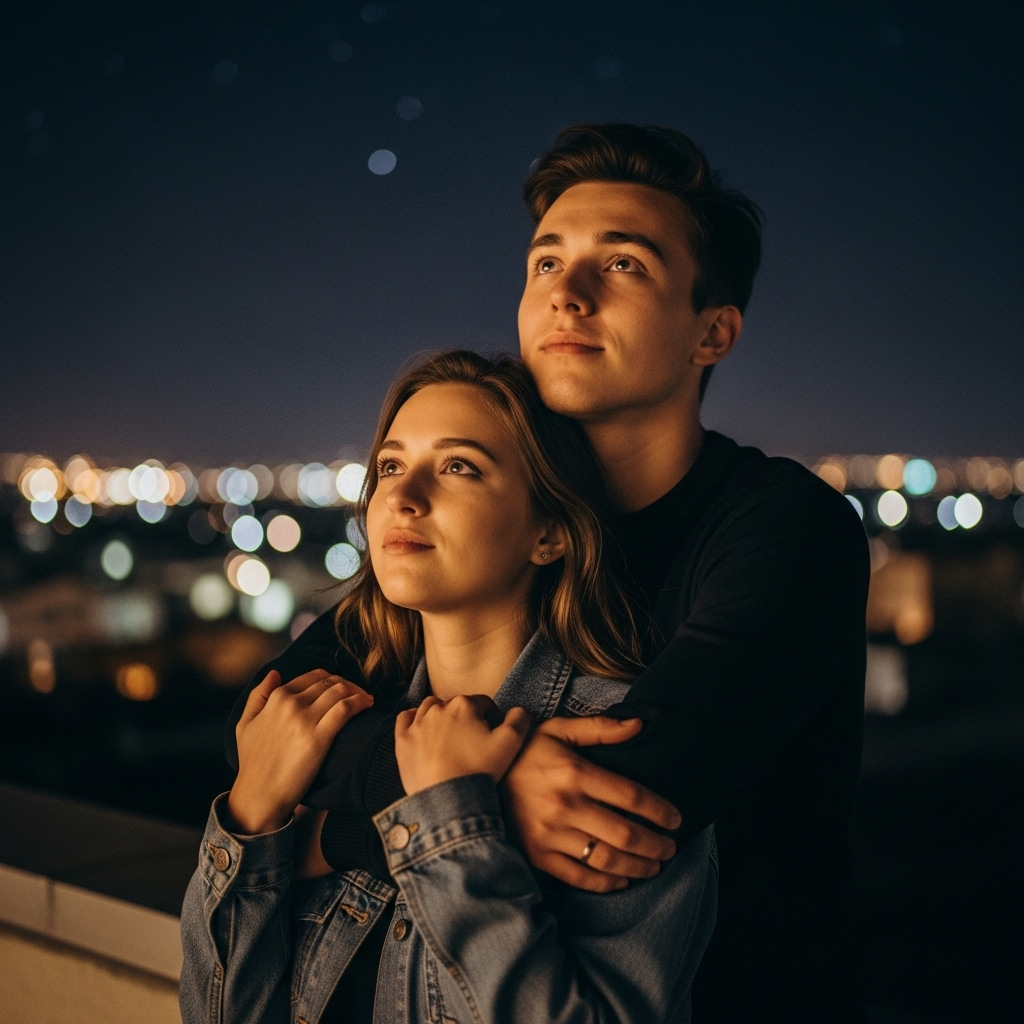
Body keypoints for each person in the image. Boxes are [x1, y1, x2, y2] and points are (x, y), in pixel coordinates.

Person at [228, 124, 870, 1022]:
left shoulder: (782, 527)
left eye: (624, 267)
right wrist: (472, 786)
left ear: (712, 332)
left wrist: (330, 834)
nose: (566, 294)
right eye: (545, 263)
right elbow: (276, 714)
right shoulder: (489, 525)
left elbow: (629, 801)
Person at [181, 351, 718, 1024]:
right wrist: (252, 819)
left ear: (548, 532)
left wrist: (448, 821)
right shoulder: (336, 736)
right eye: (391, 467)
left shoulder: (613, 753)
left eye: (459, 466)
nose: (404, 497)